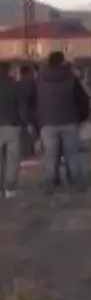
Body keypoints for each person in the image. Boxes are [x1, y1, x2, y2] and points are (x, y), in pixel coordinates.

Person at [36, 51, 89, 192]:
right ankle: (76, 182)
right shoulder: (71, 79)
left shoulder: (40, 79)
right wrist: (82, 118)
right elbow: (83, 100)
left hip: (47, 123)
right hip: (69, 121)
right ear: (62, 61)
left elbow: (34, 101)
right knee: (71, 154)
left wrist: (37, 120)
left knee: (50, 155)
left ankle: (50, 183)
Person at [0, 62, 28, 198]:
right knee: (13, 159)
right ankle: (9, 188)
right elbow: (21, 107)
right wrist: (25, 122)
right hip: (12, 125)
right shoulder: (15, 86)